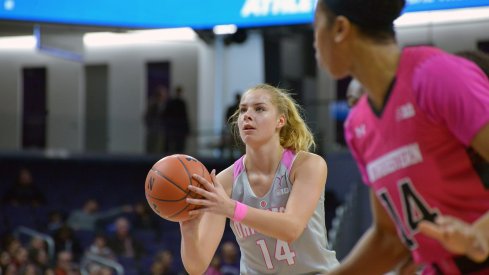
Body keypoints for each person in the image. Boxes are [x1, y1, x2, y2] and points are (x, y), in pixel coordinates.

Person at [313, 0, 489, 274]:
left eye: (315, 29)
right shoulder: (357, 125)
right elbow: (389, 240)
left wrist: (480, 233)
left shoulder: (435, 76)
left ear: (339, 29)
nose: (314, 45)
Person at [179, 84, 339, 274]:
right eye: (243, 110)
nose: (247, 115)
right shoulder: (225, 182)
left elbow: (291, 229)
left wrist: (231, 207)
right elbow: (196, 267)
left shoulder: (307, 165)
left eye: (259, 109)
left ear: (280, 121)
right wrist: (188, 229)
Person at [163, 85, 190, 154]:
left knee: (179, 146)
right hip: (174, 128)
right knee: (173, 146)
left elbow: (185, 116)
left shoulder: (180, 103)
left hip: (178, 129)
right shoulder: (173, 102)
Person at [144, 85, 169, 154]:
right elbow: (147, 116)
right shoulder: (152, 104)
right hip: (153, 130)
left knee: (159, 147)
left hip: (161, 130)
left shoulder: (165, 105)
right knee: (152, 147)